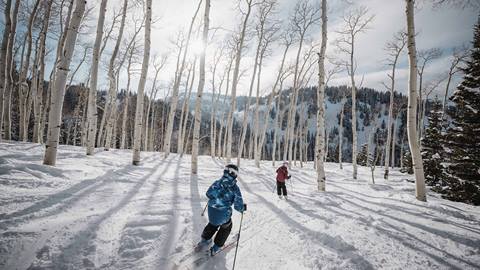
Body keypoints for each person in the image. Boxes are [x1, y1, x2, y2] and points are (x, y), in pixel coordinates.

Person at [197, 164, 246, 256]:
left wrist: (216, 195)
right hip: (223, 214)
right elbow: (238, 206)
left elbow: (208, 194)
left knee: (213, 224)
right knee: (226, 227)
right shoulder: (235, 188)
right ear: (235, 175)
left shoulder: (217, 182)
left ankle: (205, 240)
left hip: (211, 211)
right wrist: (242, 208)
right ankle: (216, 248)